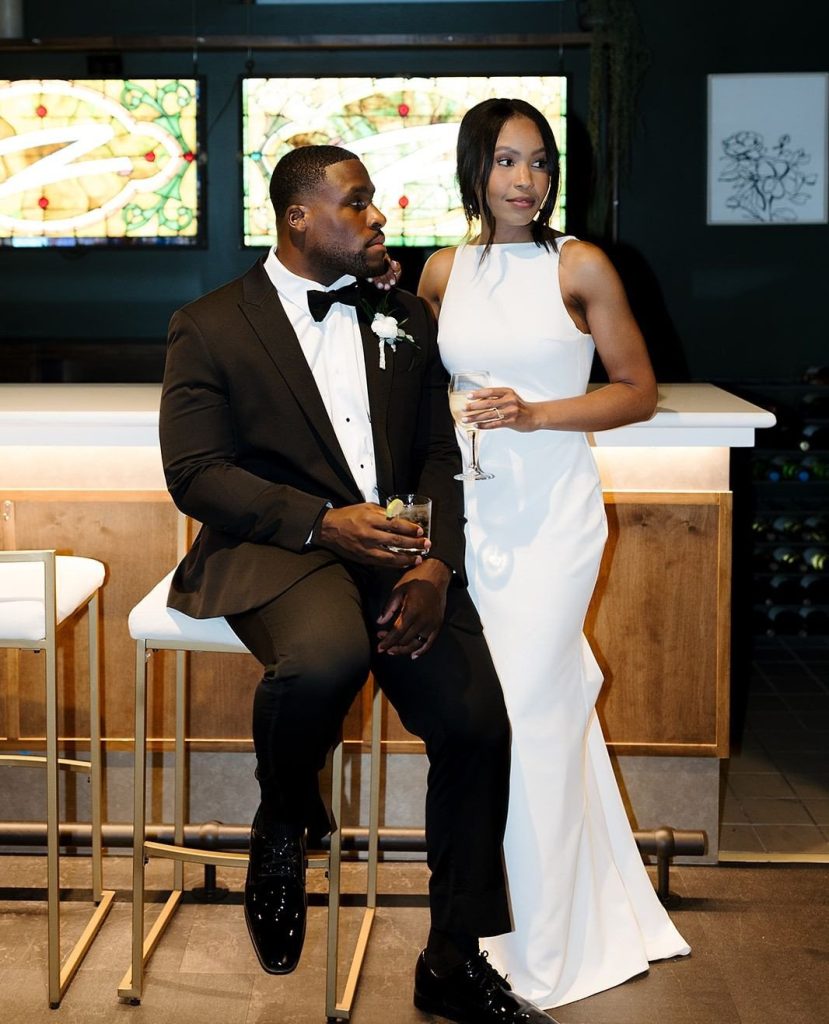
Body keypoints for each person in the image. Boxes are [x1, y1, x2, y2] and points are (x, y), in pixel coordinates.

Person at [159, 143, 555, 1024]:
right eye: (358, 203)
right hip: (282, 546)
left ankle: (451, 960)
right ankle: (281, 821)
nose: (377, 217)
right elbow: (195, 473)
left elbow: (438, 449)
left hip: (399, 552)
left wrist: (435, 562)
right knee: (325, 661)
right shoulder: (211, 322)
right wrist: (318, 521)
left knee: (475, 723)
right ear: (299, 218)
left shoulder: (405, 315)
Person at [418, 98, 691, 1010]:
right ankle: (550, 914)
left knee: (531, 713)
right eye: (504, 161)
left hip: (553, 514)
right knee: (500, 717)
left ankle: (529, 948)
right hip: (470, 515)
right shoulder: (441, 270)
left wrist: (534, 414)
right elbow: (423, 389)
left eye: (538, 162)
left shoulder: (578, 264)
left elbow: (638, 391)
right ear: (473, 170)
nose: (525, 180)